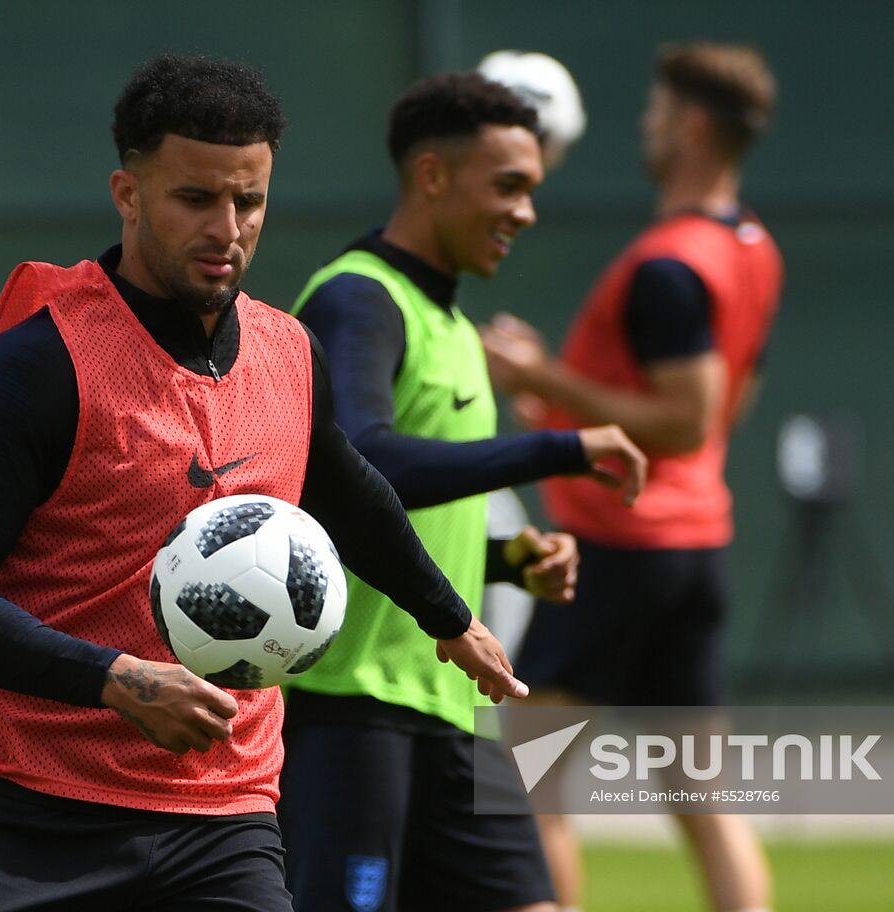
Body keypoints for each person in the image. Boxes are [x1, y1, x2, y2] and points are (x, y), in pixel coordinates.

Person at [0, 55, 525, 911]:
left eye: (250, 200)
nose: (227, 227)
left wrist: (450, 618)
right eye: (196, 199)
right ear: (128, 192)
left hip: (226, 822)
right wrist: (117, 679)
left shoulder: (290, 353)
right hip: (36, 817)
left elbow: (348, 489)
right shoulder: (38, 365)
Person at [278, 71, 646, 912]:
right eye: (508, 186)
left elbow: (398, 525)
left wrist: (509, 561)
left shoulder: (450, 327)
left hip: (452, 703)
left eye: (532, 190)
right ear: (433, 176)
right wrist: (559, 447)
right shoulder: (358, 299)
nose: (525, 212)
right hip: (350, 706)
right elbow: (363, 464)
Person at [483, 42, 782, 912]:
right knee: (702, 799)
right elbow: (726, 412)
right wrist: (574, 413)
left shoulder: (670, 264)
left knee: (525, 781)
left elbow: (687, 416)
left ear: (690, 127)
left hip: (622, 544)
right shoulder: (753, 246)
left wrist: (537, 376)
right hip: (694, 542)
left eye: (655, 114)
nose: (644, 127)